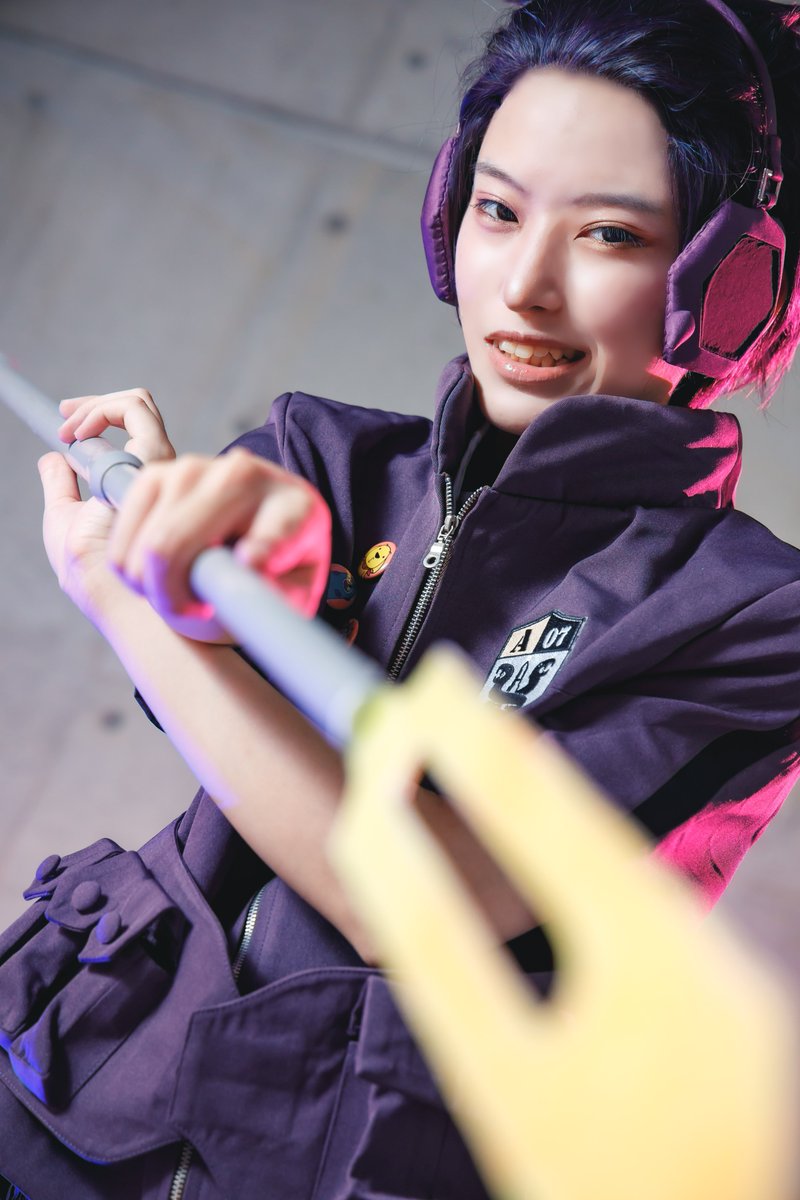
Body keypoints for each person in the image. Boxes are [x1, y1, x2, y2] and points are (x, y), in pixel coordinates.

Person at [1, 0, 799, 1196]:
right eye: (496, 209)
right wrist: (183, 553)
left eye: (607, 235)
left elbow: (413, 896)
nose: (522, 286)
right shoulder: (321, 454)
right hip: (66, 1108)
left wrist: (127, 603)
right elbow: (248, 614)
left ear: (725, 286)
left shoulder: (747, 617)